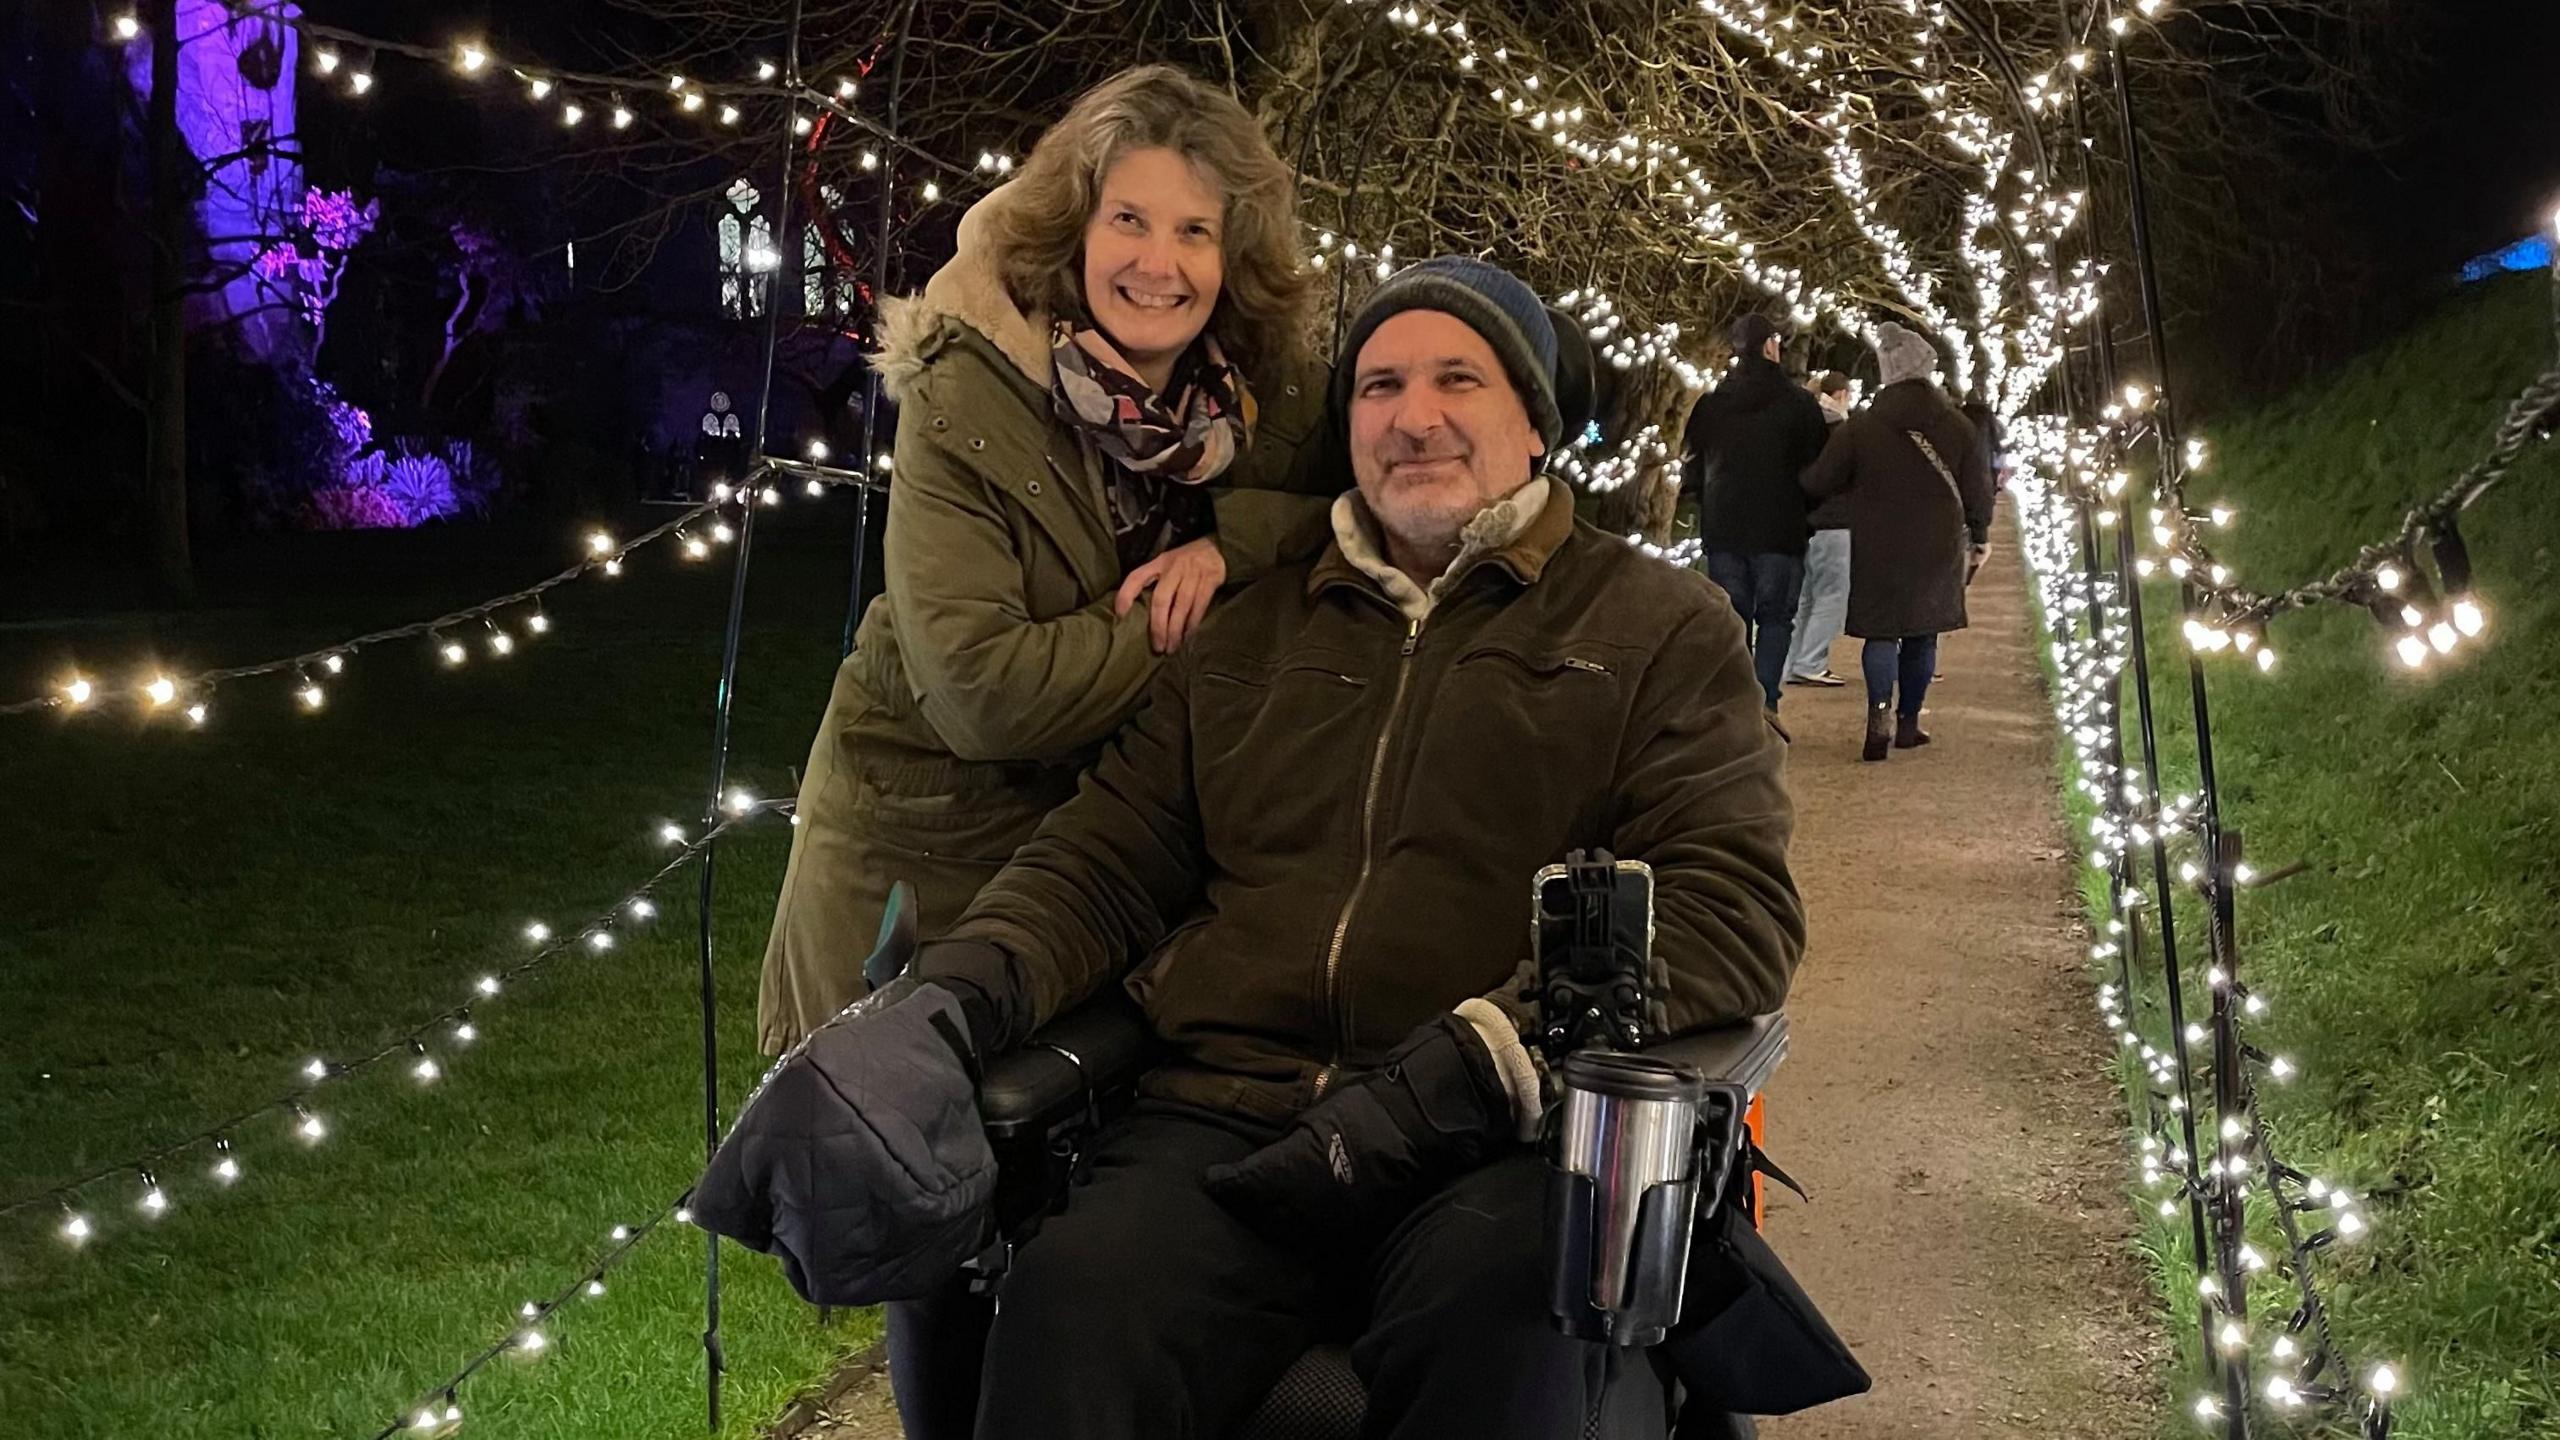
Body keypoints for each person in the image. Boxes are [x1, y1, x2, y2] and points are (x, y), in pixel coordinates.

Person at [912, 258, 1805, 1439]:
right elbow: (1103, 859)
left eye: (1457, 379)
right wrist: (947, 1004)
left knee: (1518, 1341)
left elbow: (1730, 904)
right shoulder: (1252, 633)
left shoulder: (1653, 629)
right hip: (1229, 1125)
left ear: (1533, 424)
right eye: (1379, 385)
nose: (1414, 416)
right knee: (1069, 1311)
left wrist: (1481, 1059)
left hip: (1493, 1146)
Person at [755, 65, 1334, 1055]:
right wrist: (1197, 623)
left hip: (1112, 865)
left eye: (1194, 230)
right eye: (1130, 221)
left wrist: (1229, 551)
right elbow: (983, 691)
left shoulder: (1267, 398)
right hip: (923, 856)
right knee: (879, 1166)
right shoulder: (969, 393)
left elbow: (1373, 517)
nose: (1161, 263)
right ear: (1076, 226)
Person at [1801, 321, 1994, 763]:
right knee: (1923, 634)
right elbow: (1977, 487)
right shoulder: (1958, 426)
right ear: (1927, 368)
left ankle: (1878, 716)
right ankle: (1909, 723)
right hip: (1936, 542)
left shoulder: (1861, 428)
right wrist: (1979, 533)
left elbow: (1820, 480)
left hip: (1877, 541)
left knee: (1881, 633)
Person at [1681, 313, 1832, 712]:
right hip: (1780, 528)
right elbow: (1817, 470)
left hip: (1726, 527)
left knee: (1734, 617)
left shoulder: (1712, 405)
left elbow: (1693, 467)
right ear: (1770, 347)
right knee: (1776, 619)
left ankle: (1736, 702)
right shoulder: (1800, 406)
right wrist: (1807, 513)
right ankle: (1765, 701)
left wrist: (1705, 503)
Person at [1783, 370, 1855, 687]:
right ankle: (1811, 661)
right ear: (1841, 395)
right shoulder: (1841, 429)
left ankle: (1792, 663)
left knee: (1805, 598)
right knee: (1832, 595)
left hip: (1802, 522)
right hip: (1835, 520)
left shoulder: (1800, 428)